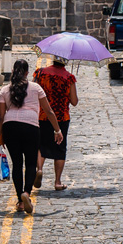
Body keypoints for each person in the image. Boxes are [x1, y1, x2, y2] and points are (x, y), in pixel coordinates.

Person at [0, 59, 63, 214]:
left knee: (17, 164)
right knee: (31, 163)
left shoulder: (5, 90)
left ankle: (20, 201)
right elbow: (49, 111)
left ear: (13, 71)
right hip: (31, 126)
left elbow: (0, 117)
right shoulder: (35, 88)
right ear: (27, 73)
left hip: (10, 126)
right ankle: (26, 193)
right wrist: (57, 130)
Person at [33, 59, 78, 190]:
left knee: (41, 145)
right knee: (60, 148)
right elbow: (74, 101)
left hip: (42, 115)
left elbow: (32, 91)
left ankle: (39, 169)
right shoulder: (69, 77)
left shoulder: (40, 73)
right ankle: (57, 182)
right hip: (61, 117)